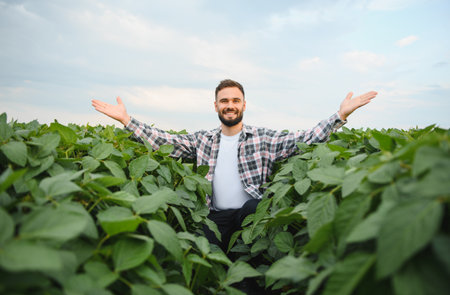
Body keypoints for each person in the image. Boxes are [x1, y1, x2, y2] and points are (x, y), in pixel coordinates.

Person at [92, 79, 377, 251]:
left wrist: (339, 115)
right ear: (215, 106)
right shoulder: (203, 140)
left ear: (244, 105)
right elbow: (163, 140)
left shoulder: (263, 138)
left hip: (248, 217)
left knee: (251, 224)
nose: (230, 105)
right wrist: (127, 121)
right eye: (224, 101)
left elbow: (304, 139)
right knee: (209, 257)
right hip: (213, 216)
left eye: (235, 100)